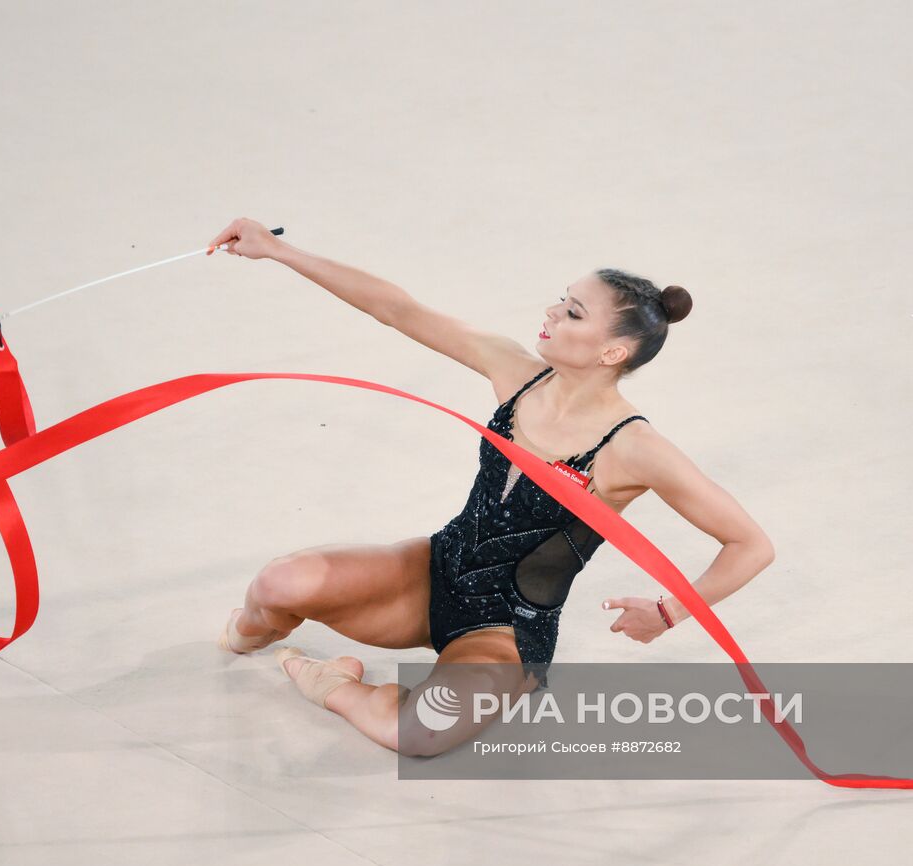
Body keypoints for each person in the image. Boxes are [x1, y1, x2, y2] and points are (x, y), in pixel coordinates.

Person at [207, 218, 775, 755]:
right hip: (432, 573)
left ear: (612, 352)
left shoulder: (632, 447)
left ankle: (328, 682)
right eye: (562, 298)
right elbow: (396, 308)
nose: (551, 313)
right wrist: (277, 249)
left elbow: (751, 545)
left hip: (505, 631)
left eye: (573, 313)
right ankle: (249, 633)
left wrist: (670, 612)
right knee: (280, 582)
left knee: (418, 735)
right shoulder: (517, 374)